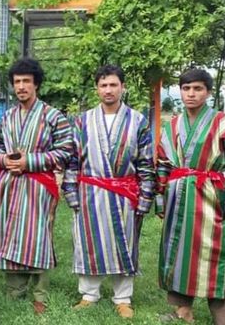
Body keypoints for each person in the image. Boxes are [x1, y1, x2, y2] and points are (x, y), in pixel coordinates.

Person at [61, 65, 155, 318]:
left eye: (113, 84)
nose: (108, 90)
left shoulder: (138, 121)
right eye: (103, 85)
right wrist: (71, 192)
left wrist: (145, 197)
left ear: (123, 87)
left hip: (125, 192)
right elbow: (72, 160)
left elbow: (146, 163)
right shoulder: (82, 120)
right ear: (97, 89)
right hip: (90, 192)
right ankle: (89, 294)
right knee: (88, 241)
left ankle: (123, 297)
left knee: (124, 241)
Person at [0, 58, 73, 314]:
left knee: (38, 237)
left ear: (36, 84)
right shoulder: (8, 116)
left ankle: (40, 294)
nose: (21, 86)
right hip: (11, 185)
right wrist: (6, 161)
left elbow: (66, 150)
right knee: (11, 233)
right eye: (17, 82)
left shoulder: (53, 116)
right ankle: (15, 288)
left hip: (39, 186)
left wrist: (31, 161)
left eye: (26, 81)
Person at [156, 69, 225, 325]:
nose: (191, 94)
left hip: (210, 197)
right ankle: (182, 310)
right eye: (186, 89)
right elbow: (163, 162)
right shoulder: (172, 125)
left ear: (208, 92)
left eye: (197, 89)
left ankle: (220, 312)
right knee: (177, 250)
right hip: (177, 196)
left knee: (213, 251)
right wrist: (161, 201)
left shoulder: (222, 122)